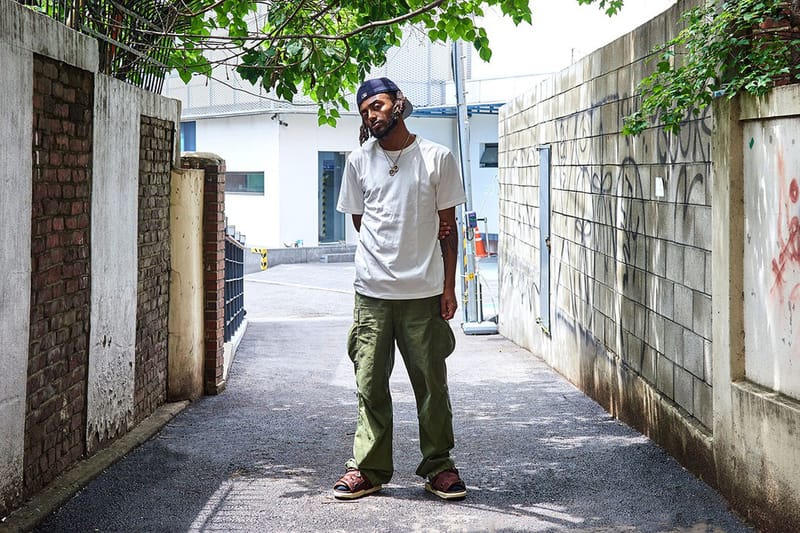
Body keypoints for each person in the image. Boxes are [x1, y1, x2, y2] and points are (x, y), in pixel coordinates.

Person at [333, 77, 467, 501]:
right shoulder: (358, 161)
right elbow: (363, 222)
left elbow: (449, 230)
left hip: (423, 292)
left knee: (431, 386)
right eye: (365, 111)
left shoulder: (436, 158)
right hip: (372, 294)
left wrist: (448, 287)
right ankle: (367, 469)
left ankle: (439, 466)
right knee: (370, 384)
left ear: (398, 103)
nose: (371, 115)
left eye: (377, 105)